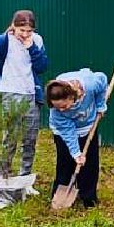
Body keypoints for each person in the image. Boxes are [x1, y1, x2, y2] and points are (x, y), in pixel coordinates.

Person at [0, 10, 49, 208]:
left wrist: (31, 47)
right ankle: (4, 178)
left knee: (30, 138)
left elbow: (42, 66)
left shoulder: (37, 41)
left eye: (29, 30)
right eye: (22, 30)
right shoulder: (2, 41)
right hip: (8, 94)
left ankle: (25, 180)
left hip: (31, 95)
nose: (25, 34)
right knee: (10, 139)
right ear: (13, 26)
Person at [46, 68, 109, 208]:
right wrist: (76, 153)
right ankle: (59, 195)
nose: (61, 109)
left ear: (71, 97)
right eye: (57, 107)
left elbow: (103, 79)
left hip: (88, 125)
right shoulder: (57, 113)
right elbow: (68, 132)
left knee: (90, 163)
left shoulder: (91, 84)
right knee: (65, 161)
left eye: (63, 106)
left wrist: (100, 105)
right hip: (63, 131)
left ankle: (88, 197)